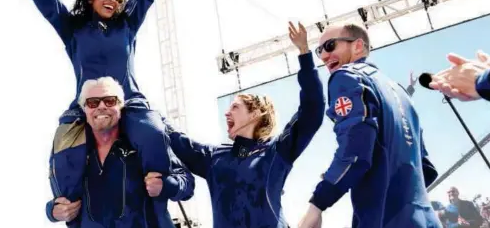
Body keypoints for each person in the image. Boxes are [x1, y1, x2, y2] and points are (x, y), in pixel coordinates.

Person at [0, 0, 194, 225]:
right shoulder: (73, 29)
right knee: (62, 142)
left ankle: (158, 212)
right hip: (86, 103)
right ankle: (69, 212)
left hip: (130, 103)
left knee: (154, 133)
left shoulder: (127, 25)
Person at [162, 22, 325, 228]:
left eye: (235, 107)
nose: (227, 112)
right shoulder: (213, 157)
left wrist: (304, 53)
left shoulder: (276, 152)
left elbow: (312, 110)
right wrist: (137, 106)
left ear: (255, 114)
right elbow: (173, 138)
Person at [298, 23, 441, 228]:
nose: (324, 56)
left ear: (357, 46)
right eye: (319, 50)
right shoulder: (401, 93)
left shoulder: (346, 77)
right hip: (426, 220)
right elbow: (426, 168)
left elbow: (355, 153)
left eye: (330, 46)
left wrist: (317, 205)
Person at [46, 77, 195, 227]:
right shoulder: (74, 155)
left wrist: (166, 185)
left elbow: (187, 183)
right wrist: (52, 211)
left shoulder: (144, 145)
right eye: (93, 102)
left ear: (120, 105)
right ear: (85, 109)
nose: (101, 106)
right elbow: (60, 200)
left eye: (109, 101)